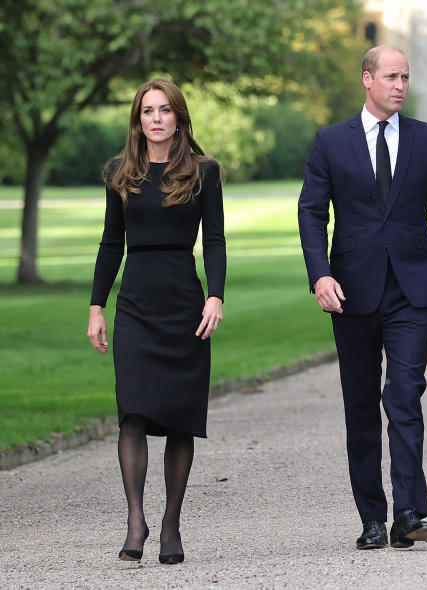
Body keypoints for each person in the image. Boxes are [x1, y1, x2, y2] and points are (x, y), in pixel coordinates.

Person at [298, 45, 427, 550]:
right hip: (351, 293)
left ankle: (409, 511)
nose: (400, 85)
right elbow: (311, 214)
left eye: (405, 77)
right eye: (391, 76)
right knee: (361, 406)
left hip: (412, 292)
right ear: (367, 79)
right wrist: (320, 276)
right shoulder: (331, 142)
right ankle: (372, 516)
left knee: (406, 395)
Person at [87, 78, 225, 565]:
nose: (157, 118)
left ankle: (170, 524)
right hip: (137, 307)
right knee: (134, 412)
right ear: (138, 120)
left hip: (185, 306)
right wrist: (96, 306)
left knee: (180, 418)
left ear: (178, 117)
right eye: (148, 111)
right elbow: (110, 244)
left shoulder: (204, 172)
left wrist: (215, 297)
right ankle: (135, 522)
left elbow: (215, 242)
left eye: (165, 110)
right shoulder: (120, 173)